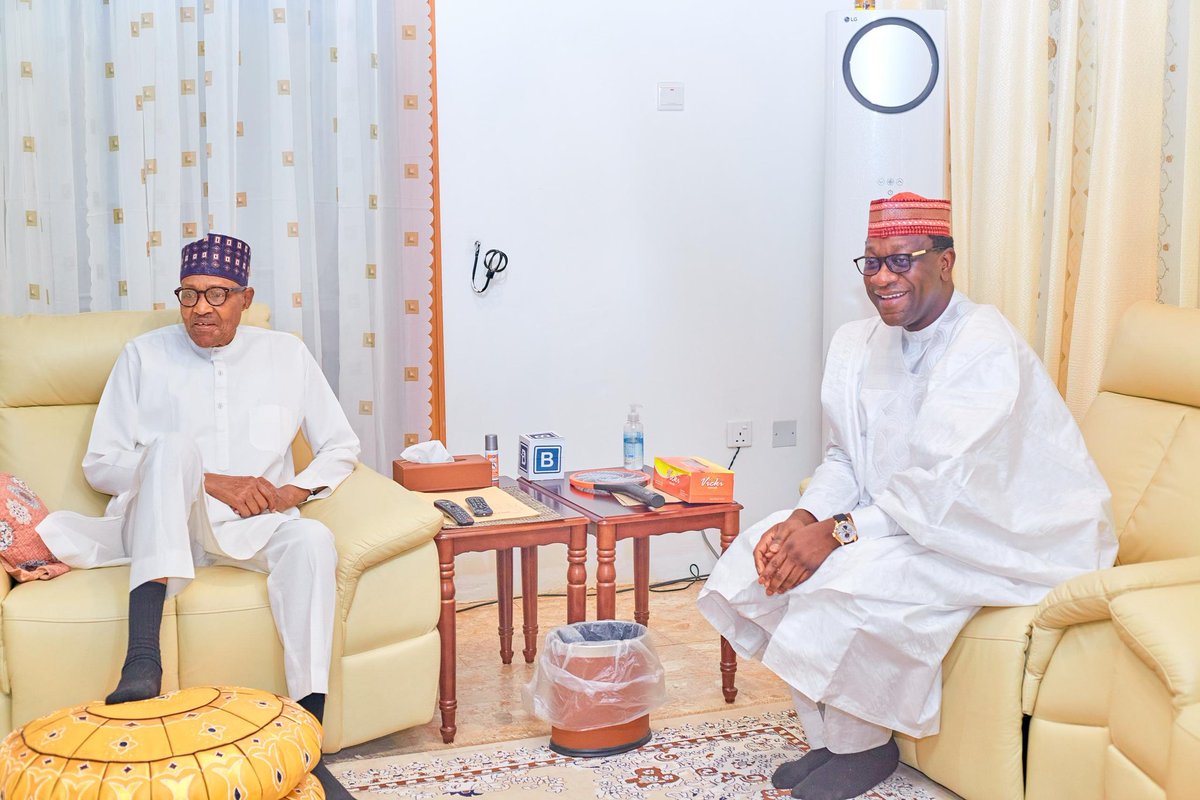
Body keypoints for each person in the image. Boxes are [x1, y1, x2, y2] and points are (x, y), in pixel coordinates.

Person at [697, 193, 1116, 800]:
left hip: (1002, 535)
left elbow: (940, 488)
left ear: (946, 261)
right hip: (906, 522)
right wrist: (804, 516)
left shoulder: (982, 344)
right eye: (871, 263)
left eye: (903, 260)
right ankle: (830, 745)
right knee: (754, 559)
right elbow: (845, 457)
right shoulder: (857, 344)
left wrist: (836, 533)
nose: (883, 278)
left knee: (843, 581)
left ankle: (865, 751)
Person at [38, 233, 359, 799]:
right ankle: (141, 665)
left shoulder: (286, 354)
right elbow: (102, 464)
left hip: (249, 528)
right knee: (170, 449)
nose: (201, 309)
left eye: (216, 294)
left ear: (245, 297)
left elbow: (339, 446)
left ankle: (307, 731)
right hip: (162, 520)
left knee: (312, 542)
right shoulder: (144, 355)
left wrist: (291, 492)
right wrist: (209, 480)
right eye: (189, 295)